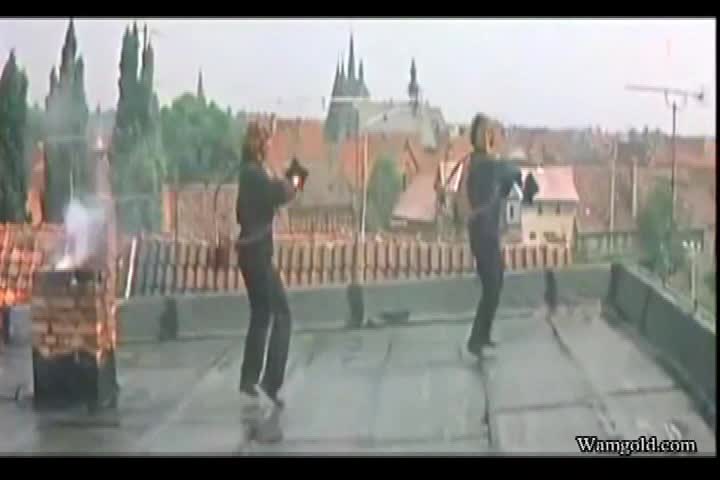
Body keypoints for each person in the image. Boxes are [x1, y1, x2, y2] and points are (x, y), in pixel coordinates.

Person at [236, 121, 296, 410]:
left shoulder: (248, 173)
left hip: (250, 254)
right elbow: (280, 193)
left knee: (261, 313)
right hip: (258, 255)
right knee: (282, 313)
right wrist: (294, 180)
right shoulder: (255, 175)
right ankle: (270, 381)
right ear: (260, 145)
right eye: (267, 142)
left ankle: (248, 379)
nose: (270, 147)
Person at [465, 114, 523, 357]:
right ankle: (476, 339)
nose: (490, 137)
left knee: (494, 283)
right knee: (493, 285)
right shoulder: (483, 164)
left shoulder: (483, 163)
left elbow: (507, 182)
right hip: (482, 233)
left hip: (487, 231)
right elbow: (511, 172)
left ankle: (482, 335)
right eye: (487, 133)